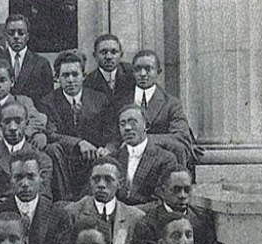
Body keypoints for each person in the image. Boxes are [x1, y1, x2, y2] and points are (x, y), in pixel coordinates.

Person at [41, 50, 116, 199]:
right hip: (66, 161)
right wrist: (79, 143)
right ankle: (66, 200)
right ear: (57, 78)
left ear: (84, 75)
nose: (70, 80)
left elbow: (112, 132)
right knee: (51, 149)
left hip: (94, 158)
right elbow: (51, 134)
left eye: (75, 74)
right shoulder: (47, 102)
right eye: (65, 75)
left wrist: (107, 149)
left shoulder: (100, 100)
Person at [129, 166, 225, 244]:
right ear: (162, 191)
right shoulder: (148, 224)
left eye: (187, 190)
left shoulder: (201, 220)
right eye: (176, 190)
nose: (182, 195)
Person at [0, 151, 71, 244]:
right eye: (18, 177)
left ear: (41, 178)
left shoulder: (59, 216)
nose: (25, 184)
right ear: (10, 180)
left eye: (30, 176)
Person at [64, 157, 144, 244]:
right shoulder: (72, 213)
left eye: (108, 179)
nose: (101, 185)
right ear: (90, 181)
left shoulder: (135, 218)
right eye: (96, 179)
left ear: (120, 183)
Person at [0, 101, 52, 219]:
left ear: (27, 123)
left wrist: (6, 204)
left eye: (18, 121)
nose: (13, 127)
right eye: (7, 122)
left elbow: (43, 196)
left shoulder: (42, 160)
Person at [130, 49, 195, 167]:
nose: (143, 74)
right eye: (138, 69)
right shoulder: (122, 101)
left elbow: (181, 136)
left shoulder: (171, 103)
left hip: (159, 159)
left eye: (148, 69)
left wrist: (145, 141)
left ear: (158, 72)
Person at [0, 13, 54, 109]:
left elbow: (48, 100)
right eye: (11, 33)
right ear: (5, 36)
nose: (16, 37)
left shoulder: (41, 64)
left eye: (21, 33)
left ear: (28, 36)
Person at [108, 104, 177, 206]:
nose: (127, 128)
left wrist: (129, 214)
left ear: (146, 126)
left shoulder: (165, 159)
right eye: (122, 124)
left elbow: (161, 200)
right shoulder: (113, 159)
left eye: (133, 122)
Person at [84, 34, 134, 109]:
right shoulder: (89, 82)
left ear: (121, 55)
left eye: (114, 52)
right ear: (95, 55)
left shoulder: (131, 75)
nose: (109, 57)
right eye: (103, 52)